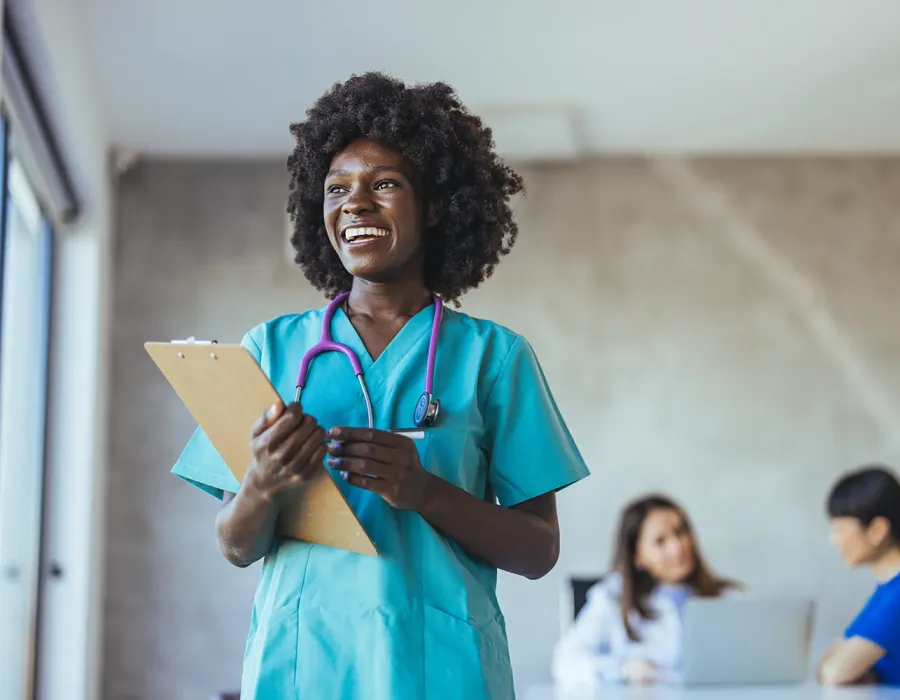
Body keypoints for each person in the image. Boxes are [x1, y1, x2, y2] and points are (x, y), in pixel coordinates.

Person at [170, 72, 590, 700]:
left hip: (442, 668)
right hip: (303, 665)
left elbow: (538, 550)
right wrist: (263, 481)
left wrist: (423, 491)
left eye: (384, 184)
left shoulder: (494, 358)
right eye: (337, 188)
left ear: (437, 205)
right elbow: (235, 546)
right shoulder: (271, 350)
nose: (355, 204)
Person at [552, 494, 738, 689]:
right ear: (637, 556)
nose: (677, 547)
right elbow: (566, 662)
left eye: (681, 532)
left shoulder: (727, 596)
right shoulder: (612, 597)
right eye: (660, 541)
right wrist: (623, 670)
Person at [817, 465, 900, 687]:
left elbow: (835, 673)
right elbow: (826, 662)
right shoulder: (886, 590)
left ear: (877, 530)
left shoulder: (896, 595)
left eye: (841, 530)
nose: (834, 541)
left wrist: (864, 673)